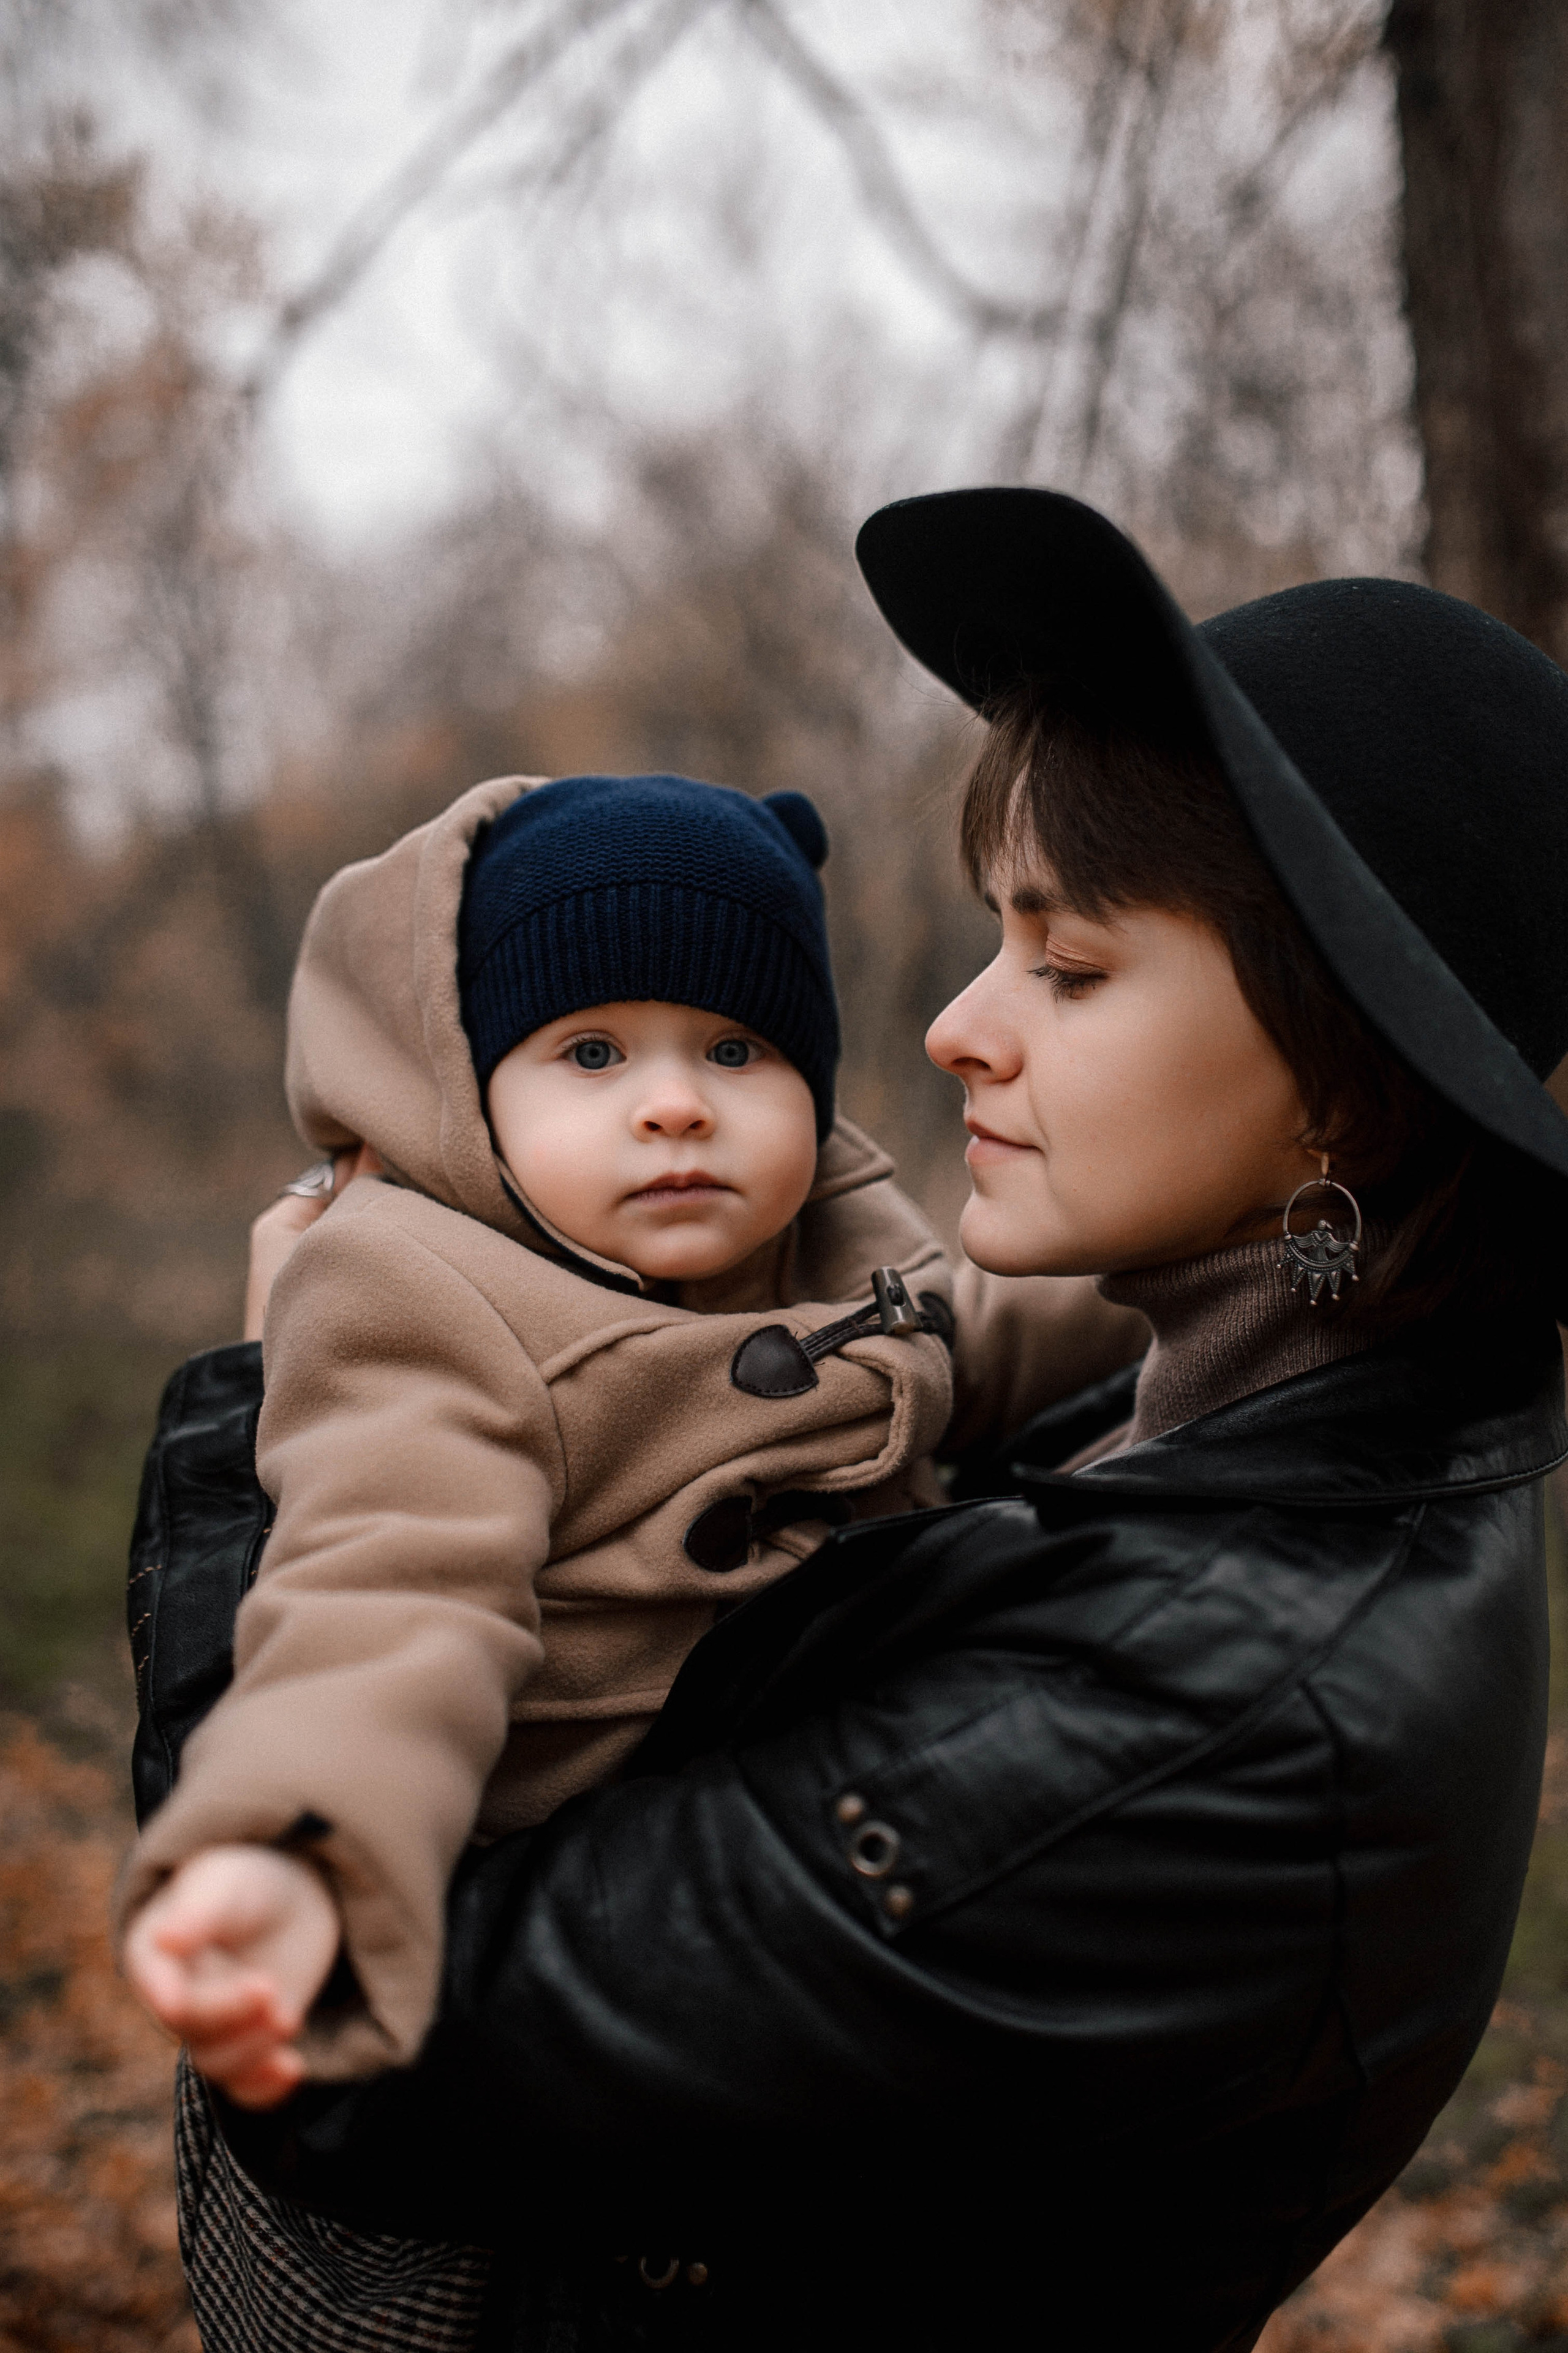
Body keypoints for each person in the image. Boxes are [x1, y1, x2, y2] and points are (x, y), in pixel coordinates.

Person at [126, 488, 1568, 2353]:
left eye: (1068, 963)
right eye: (996, 937)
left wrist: (265, 1440)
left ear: (1346, 1093)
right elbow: (942, 1346)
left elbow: (355, 2060)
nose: (961, 1026)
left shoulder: (1214, 1713)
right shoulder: (1253, 1384)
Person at [118, 768, 1143, 2112]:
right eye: (591, 1053)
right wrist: (299, 1844)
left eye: (735, 1050)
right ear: (474, 1090)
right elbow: (389, 1589)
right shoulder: (423, 1292)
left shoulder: (829, 1248)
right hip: (580, 1950)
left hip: (827, 1892)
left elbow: (973, 1342)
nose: (675, 1104)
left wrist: (1178, 1245)